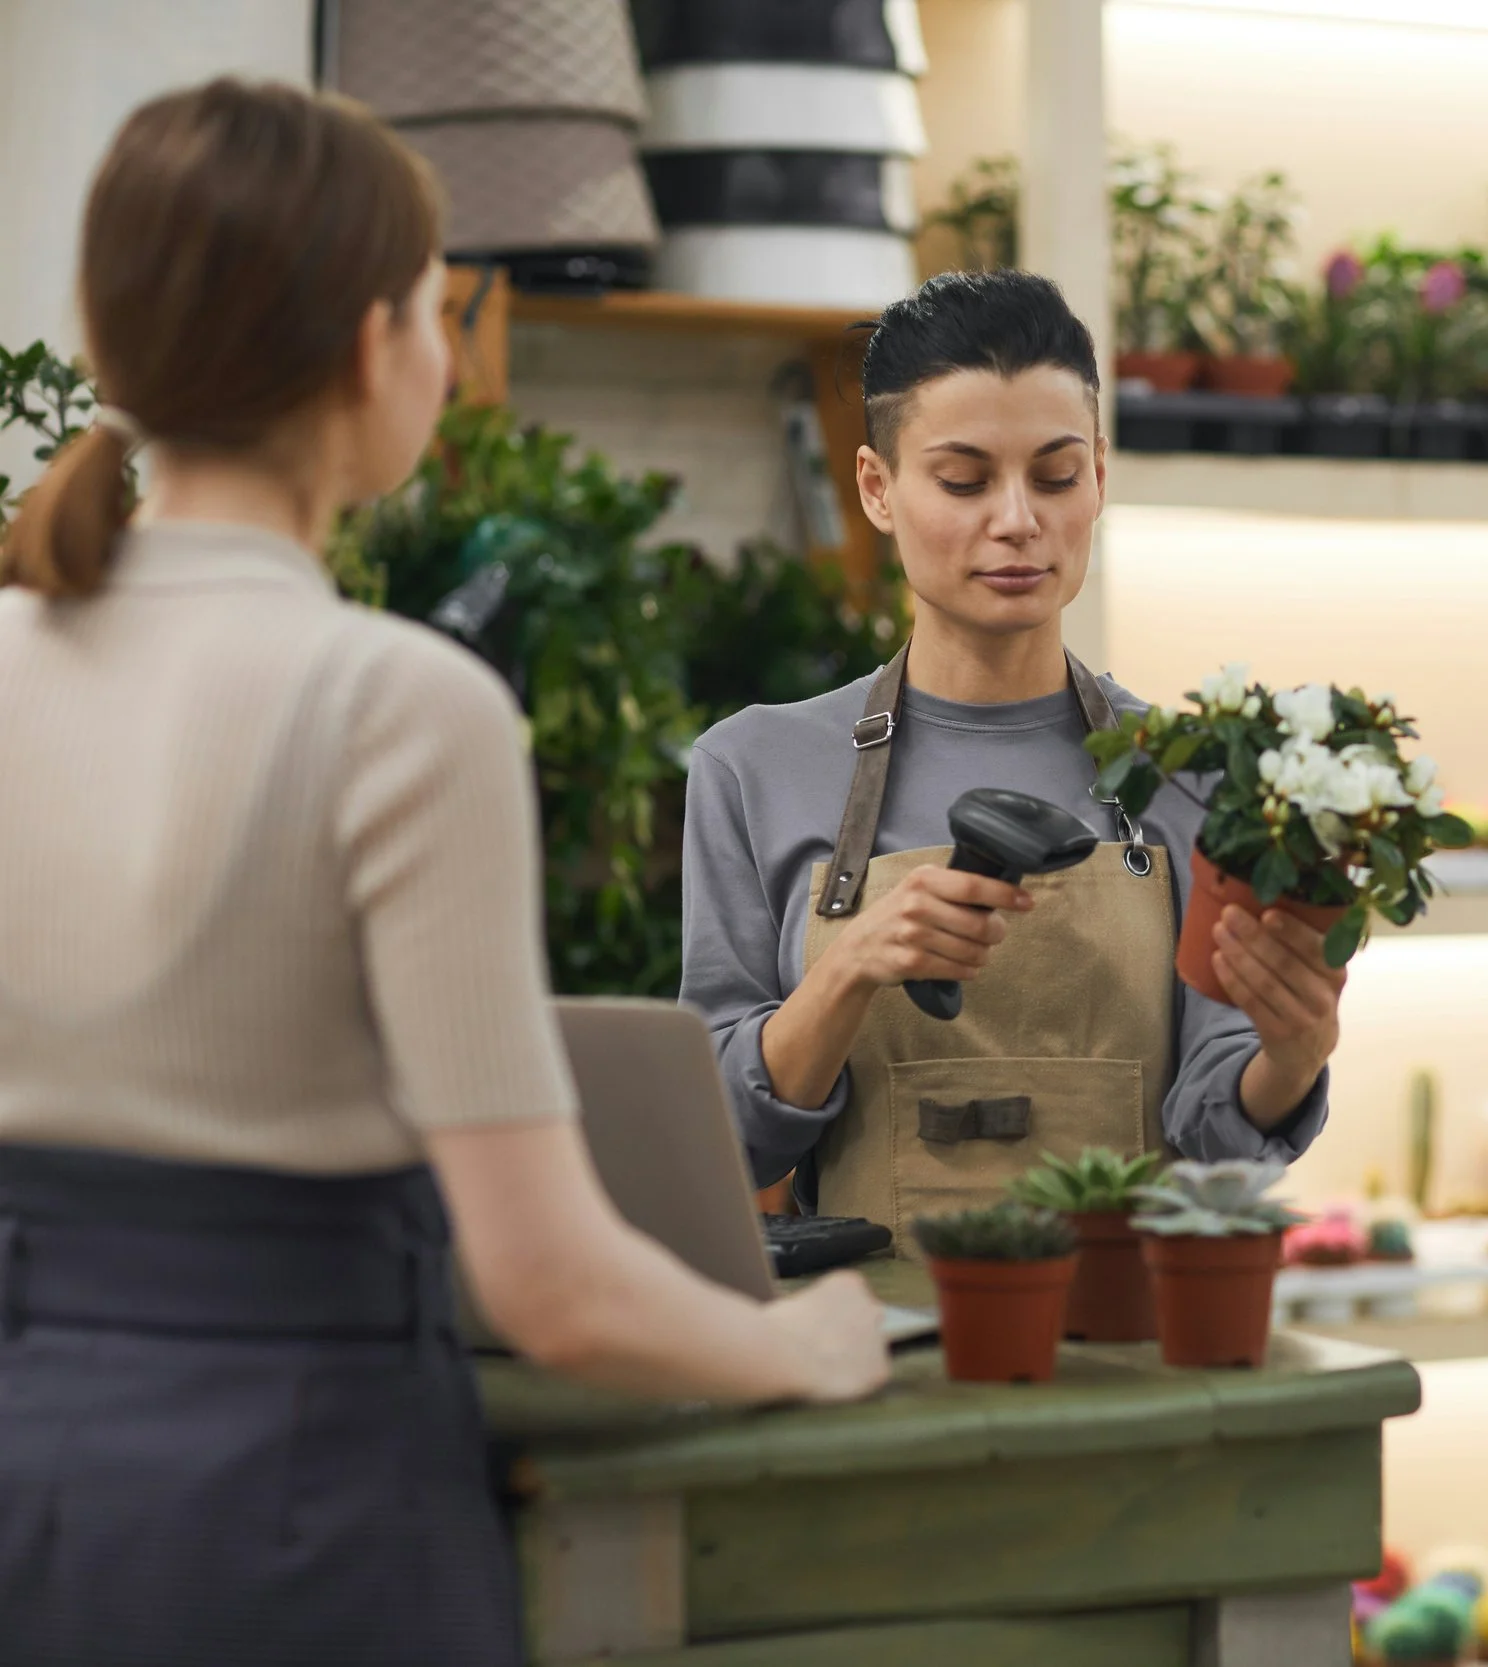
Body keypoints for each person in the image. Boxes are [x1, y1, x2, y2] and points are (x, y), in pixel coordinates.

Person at [0, 80, 887, 1667]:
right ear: (366, 348)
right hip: (293, 1518)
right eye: (430, 302)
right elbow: (551, 1284)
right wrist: (800, 1338)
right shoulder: (396, 703)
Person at [682, 270, 1344, 1227]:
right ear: (876, 488)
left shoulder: (1196, 771)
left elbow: (1217, 1138)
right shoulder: (753, 769)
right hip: (874, 1351)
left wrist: (1292, 1055)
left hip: (1129, 1349)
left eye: (1056, 475)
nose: (1018, 520)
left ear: (1101, 479)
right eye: (963, 480)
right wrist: (848, 967)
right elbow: (725, 1139)